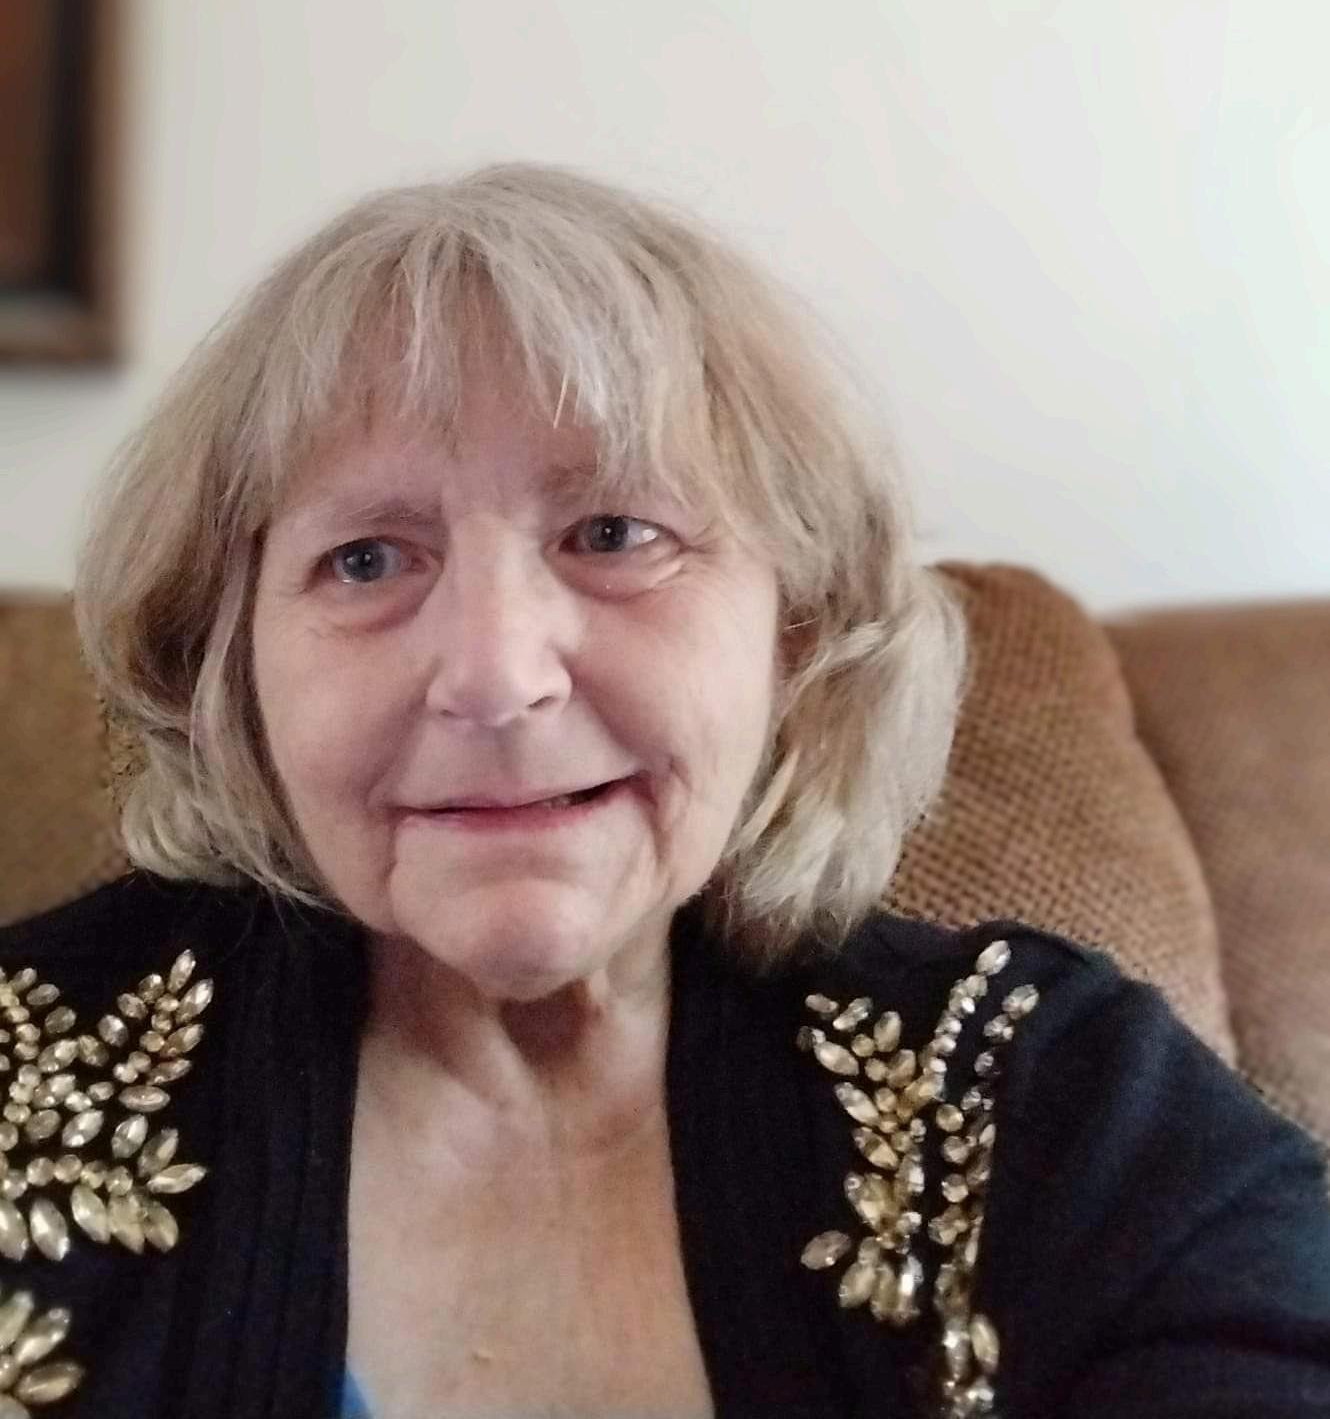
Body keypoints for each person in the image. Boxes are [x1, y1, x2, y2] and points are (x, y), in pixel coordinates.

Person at [1, 163, 1327, 1419]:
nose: (495, 676)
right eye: (364, 559)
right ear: (232, 669)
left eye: (614, 534)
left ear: (798, 634)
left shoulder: (1048, 1095)